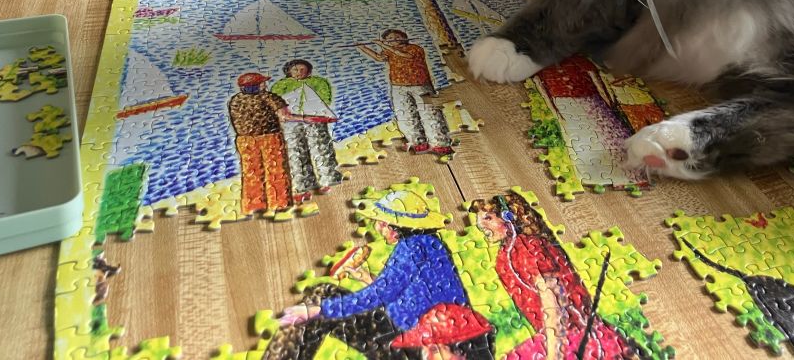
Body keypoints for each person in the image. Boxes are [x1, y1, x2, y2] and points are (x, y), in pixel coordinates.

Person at [270, 189, 494, 360]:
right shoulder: (431, 244)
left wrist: (319, 310)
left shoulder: (412, 247)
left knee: (321, 297)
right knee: (325, 297)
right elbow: (415, 295)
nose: (378, 227)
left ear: (398, 224)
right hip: (430, 338)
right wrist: (368, 279)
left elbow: (382, 294)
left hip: (425, 347)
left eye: (383, 222)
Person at [469, 192, 644, 359]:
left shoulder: (526, 248)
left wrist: (554, 354)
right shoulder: (507, 253)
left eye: (488, 218)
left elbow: (553, 305)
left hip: (570, 336)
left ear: (509, 217)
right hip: (560, 335)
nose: (480, 224)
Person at [357, 30, 453, 155]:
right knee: (406, 115)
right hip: (398, 87)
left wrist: (382, 44)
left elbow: (403, 55)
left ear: (405, 38)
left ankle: (440, 143)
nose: (394, 39)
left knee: (430, 113)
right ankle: (418, 142)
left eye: (397, 37)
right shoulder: (389, 50)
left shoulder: (414, 48)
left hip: (420, 85)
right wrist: (363, 48)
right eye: (390, 38)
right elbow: (379, 57)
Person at [270, 59, 342, 199]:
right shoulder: (281, 85)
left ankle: (328, 178)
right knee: (295, 152)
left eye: (303, 70)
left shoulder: (319, 82)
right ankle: (302, 184)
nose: (299, 72)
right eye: (296, 69)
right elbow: (276, 104)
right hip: (291, 122)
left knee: (321, 148)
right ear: (288, 71)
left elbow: (325, 99)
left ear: (309, 71)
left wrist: (314, 112)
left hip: (315, 120)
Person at [227, 72, 292, 215]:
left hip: (245, 140)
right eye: (263, 82)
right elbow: (285, 116)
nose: (265, 84)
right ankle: (279, 203)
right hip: (270, 137)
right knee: (276, 170)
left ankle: (253, 205)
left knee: (251, 172)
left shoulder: (235, 100)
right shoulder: (269, 97)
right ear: (256, 85)